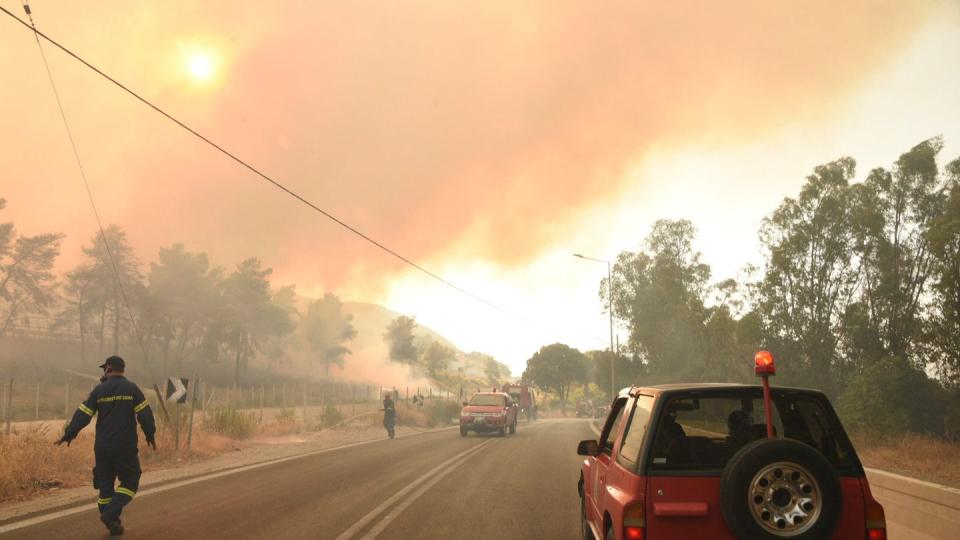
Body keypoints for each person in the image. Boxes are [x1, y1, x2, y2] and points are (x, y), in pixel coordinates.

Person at [55, 356, 156, 536]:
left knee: (105, 488)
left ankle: (112, 521)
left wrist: (69, 434)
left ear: (109, 368)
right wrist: (150, 434)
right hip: (125, 446)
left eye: (104, 369)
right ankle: (110, 514)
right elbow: (145, 415)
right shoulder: (132, 389)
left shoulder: (99, 391)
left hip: (102, 448)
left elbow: (83, 414)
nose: (103, 373)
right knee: (131, 480)